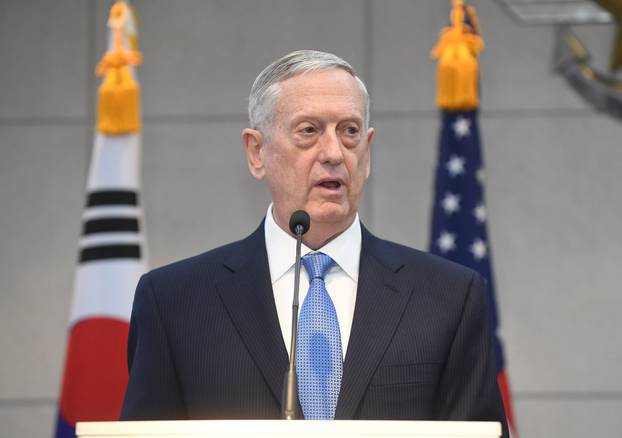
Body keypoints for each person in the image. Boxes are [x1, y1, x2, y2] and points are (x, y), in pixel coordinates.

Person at [120, 50, 508, 436]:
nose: (334, 153)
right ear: (257, 153)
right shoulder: (175, 302)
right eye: (309, 130)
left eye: (350, 131)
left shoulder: (448, 297)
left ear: (368, 151)